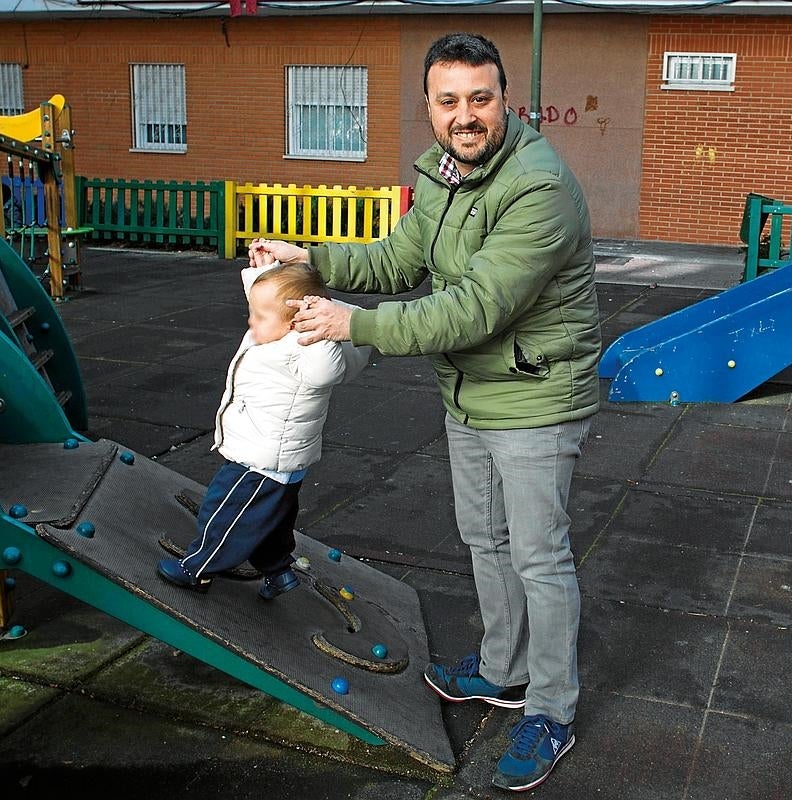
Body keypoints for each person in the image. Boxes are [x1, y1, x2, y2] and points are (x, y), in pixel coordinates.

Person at [249, 32, 600, 793]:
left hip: (534, 397)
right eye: (450, 101)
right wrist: (303, 261)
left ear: (505, 100)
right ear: (430, 107)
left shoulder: (537, 189)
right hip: (470, 393)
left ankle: (552, 709)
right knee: (485, 538)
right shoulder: (444, 175)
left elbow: (473, 310)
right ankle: (503, 671)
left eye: (481, 98)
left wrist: (354, 324)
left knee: (540, 558)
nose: (465, 115)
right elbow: (397, 260)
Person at [156, 254, 370, 600]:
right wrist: (265, 270)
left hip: (264, 461)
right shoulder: (274, 332)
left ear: (296, 320)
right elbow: (269, 299)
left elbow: (326, 370)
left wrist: (320, 324)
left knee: (224, 510)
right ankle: (278, 573)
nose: (250, 320)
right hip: (276, 460)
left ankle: (197, 568)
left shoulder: (308, 348)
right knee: (269, 525)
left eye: (259, 316)